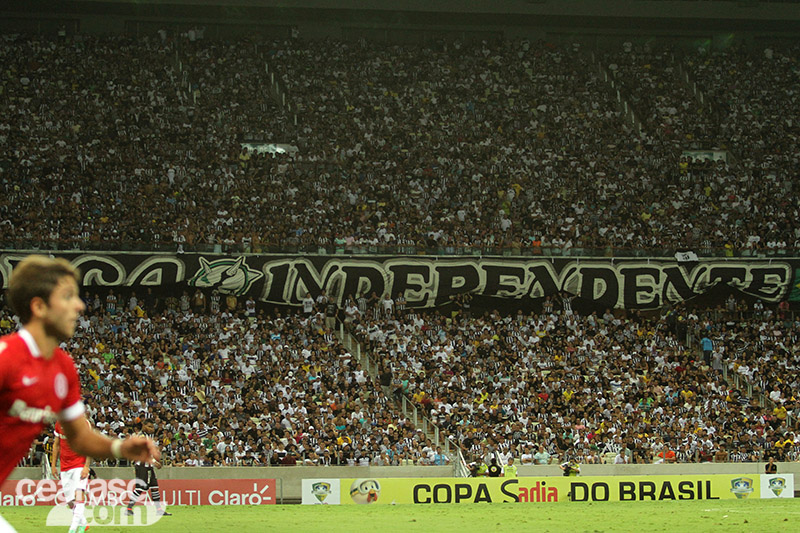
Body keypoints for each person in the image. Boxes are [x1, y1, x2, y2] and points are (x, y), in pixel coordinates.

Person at [0, 256, 160, 531]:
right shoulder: (6, 358)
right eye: (67, 296)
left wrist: (120, 448)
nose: (79, 305)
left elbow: (81, 437)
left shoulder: (63, 368)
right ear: (39, 306)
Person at [51, 418, 93, 533]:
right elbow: (56, 445)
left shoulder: (83, 423)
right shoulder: (59, 423)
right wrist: (53, 465)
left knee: (79, 494)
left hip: (79, 464)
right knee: (70, 501)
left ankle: (72, 528)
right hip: (64, 467)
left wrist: (86, 466)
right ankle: (83, 523)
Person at [125, 420, 171, 516]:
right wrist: (154, 462)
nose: (151, 429)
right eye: (149, 426)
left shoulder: (147, 436)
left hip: (148, 466)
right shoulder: (142, 436)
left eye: (152, 427)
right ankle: (128, 508)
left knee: (154, 487)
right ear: (144, 425)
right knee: (140, 488)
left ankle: (158, 510)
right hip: (142, 465)